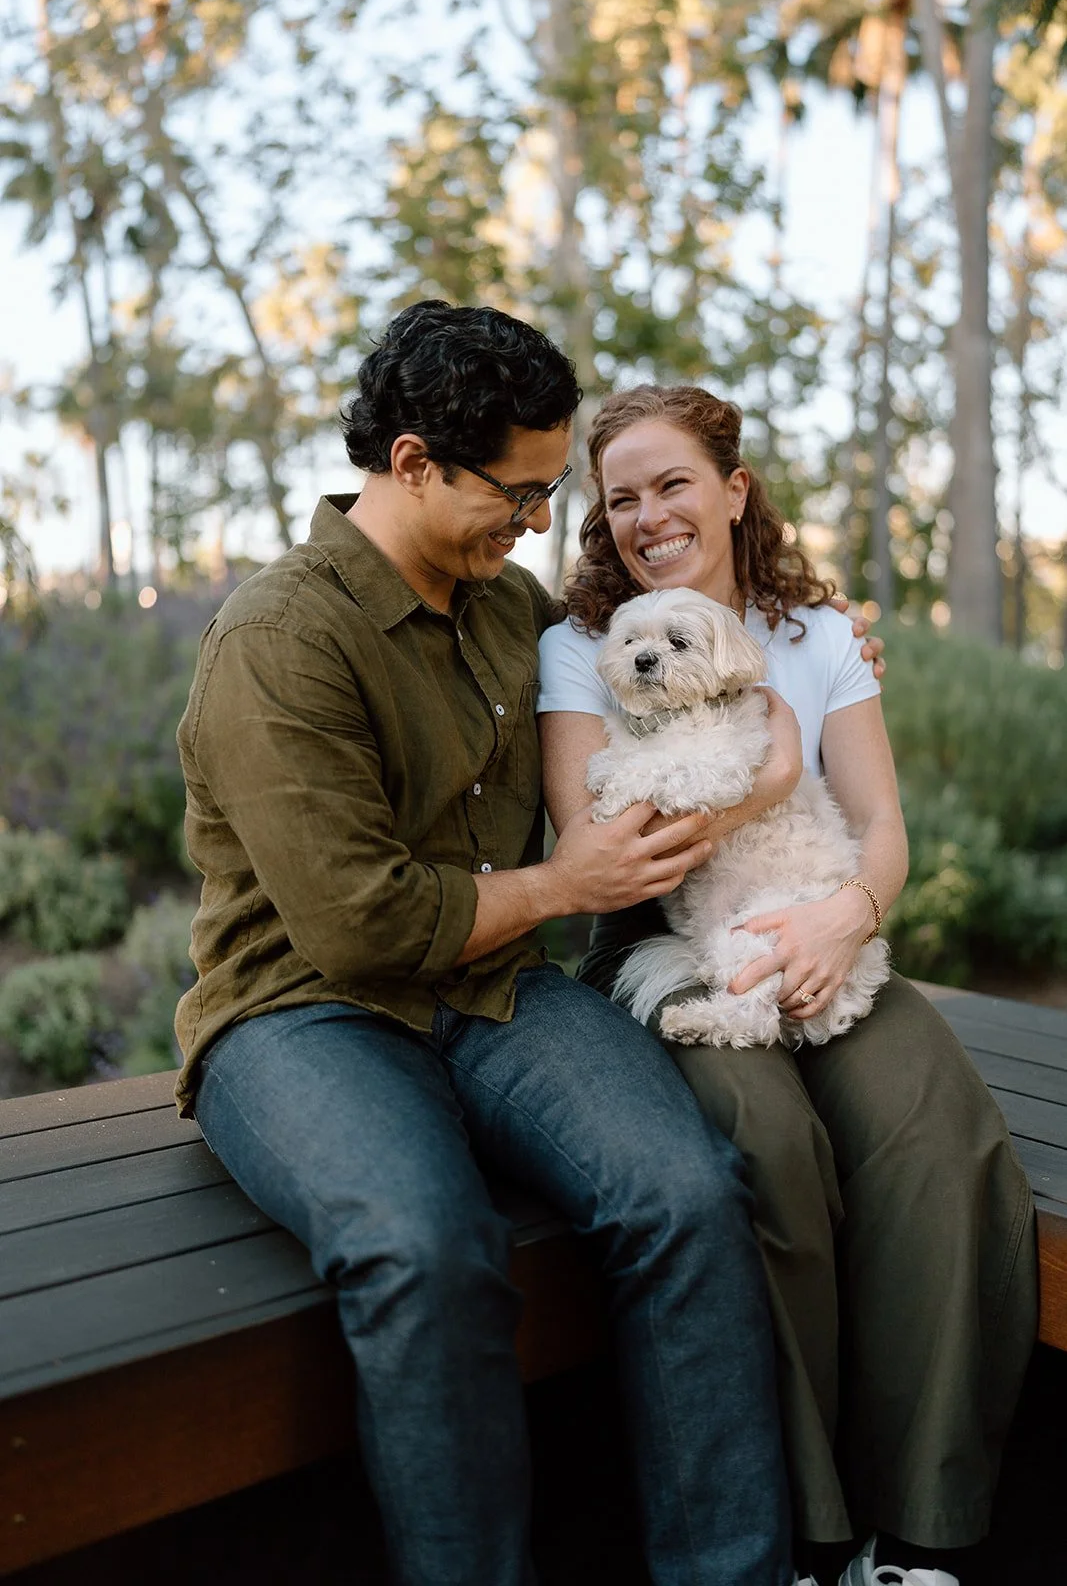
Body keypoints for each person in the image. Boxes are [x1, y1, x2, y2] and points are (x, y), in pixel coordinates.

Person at [175, 301, 811, 1586]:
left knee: (687, 1195)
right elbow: (357, 923)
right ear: (413, 462)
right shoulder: (277, 638)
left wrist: (821, 645)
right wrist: (562, 882)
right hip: (303, 1009)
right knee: (427, 1249)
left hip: (495, 991)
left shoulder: (512, 612)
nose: (533, 524)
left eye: (545, 496)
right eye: (517, 495)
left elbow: (676, 649)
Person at [537, 385, 1038, 1586]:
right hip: (661, 934)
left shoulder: (815, 634)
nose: (649, 515)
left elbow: (879, 825)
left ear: (732, 490)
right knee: (764, 1140)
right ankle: (806, 1532)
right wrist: (764, 779)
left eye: (672, 484)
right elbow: (602, 851)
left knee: (938, 1137)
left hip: (816, 911)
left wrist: (842, 916)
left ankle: (913, 1533)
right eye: (620, 497)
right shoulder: (579, 646)